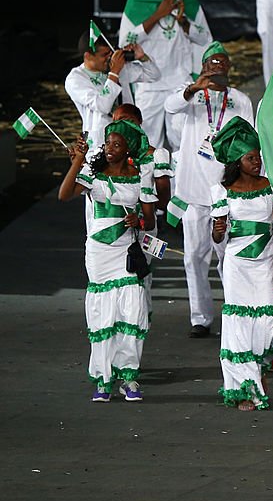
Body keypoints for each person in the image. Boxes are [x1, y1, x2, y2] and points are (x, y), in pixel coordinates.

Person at [58, 121, 156, 402]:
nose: (109, 149)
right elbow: (64, 194)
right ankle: (103, 378)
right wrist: (77, 162)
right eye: (107, 143)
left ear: (128, 150)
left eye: (117, 144)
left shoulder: (140, 179)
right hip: (100, 253)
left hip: (127, 252)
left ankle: (129, 377)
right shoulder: (94, 175)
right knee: (104, 314)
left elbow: (149, 221)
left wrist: (137, 220)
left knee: (131, 310)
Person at [164, 42, 254, 338]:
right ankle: (200, 318)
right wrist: (193, 87)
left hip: (227, 192)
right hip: (193, 193)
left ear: (229, 68)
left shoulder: (240, 100)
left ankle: (235, 311)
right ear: (203, 67)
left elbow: (250, 143)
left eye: (222, 64)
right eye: (211, 64)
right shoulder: (189, 97)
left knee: (228, 257)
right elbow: (169, 106)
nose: (217, 69)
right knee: (194, 258)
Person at [209, 117, 273, 410]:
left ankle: (257, 370)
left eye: (258, 157)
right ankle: (245, 387)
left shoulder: (271, 187)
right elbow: (218, 239)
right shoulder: (223, 192)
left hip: (266, 264)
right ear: (237, 161)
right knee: (240, 324)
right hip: (237, 266)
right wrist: (218, 232)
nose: (257, 162)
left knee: (266, 322)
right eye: (250, 158)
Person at [119, 0, 212, 149]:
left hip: (180, 81)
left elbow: (205, 37)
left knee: (183, 141)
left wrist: (183, 20)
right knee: (148, 144)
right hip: (150, 83)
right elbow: (126, 41)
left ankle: (180, 182)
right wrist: (159, 14)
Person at [66, 30, 159, 154]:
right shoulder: (76, 78)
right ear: (88, 56)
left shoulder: (117, 66)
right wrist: (114, 72)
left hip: (128, 136)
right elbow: (102, 106)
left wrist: (142, 57)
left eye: (110, 53)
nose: (109, 58)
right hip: (101, 141)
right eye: (104, 55)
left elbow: (154, 75)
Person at [112, 103, 173, 212]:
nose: (121, 125)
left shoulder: (156, 156)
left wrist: (136, 203)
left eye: (126, 120)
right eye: (116, 122)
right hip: (109, 225)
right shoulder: (108, 156)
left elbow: (164, 202)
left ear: (139, 121)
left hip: (143, 224)